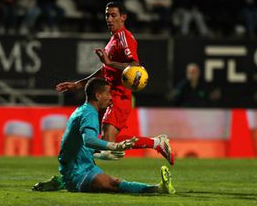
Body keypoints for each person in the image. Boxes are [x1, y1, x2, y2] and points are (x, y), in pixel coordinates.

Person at [32, 1, 174, 192]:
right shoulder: (113, 39)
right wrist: (79, 84)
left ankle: (157, 143)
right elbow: (104, 69)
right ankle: (67, 178)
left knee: (105, 144)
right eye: (107, 15)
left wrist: (110, 62)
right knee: (94, 143)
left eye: (113, 15)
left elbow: (135, 66)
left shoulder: (124, 37)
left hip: (118, 94)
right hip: (108, 94)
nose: (109, 19)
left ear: (123, 17)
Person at [36, 78, 175, 193]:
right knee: (113, 184)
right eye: (108, 93)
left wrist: (101, 155)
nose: (110, 97)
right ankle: (159, 189)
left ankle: (61, 182)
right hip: (77, 173)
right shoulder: (89, 114)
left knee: (112, 183)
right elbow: (89, 140)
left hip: (82, 167)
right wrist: (115, 146)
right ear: (98, 95)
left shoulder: (83, 110)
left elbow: (79, 145)